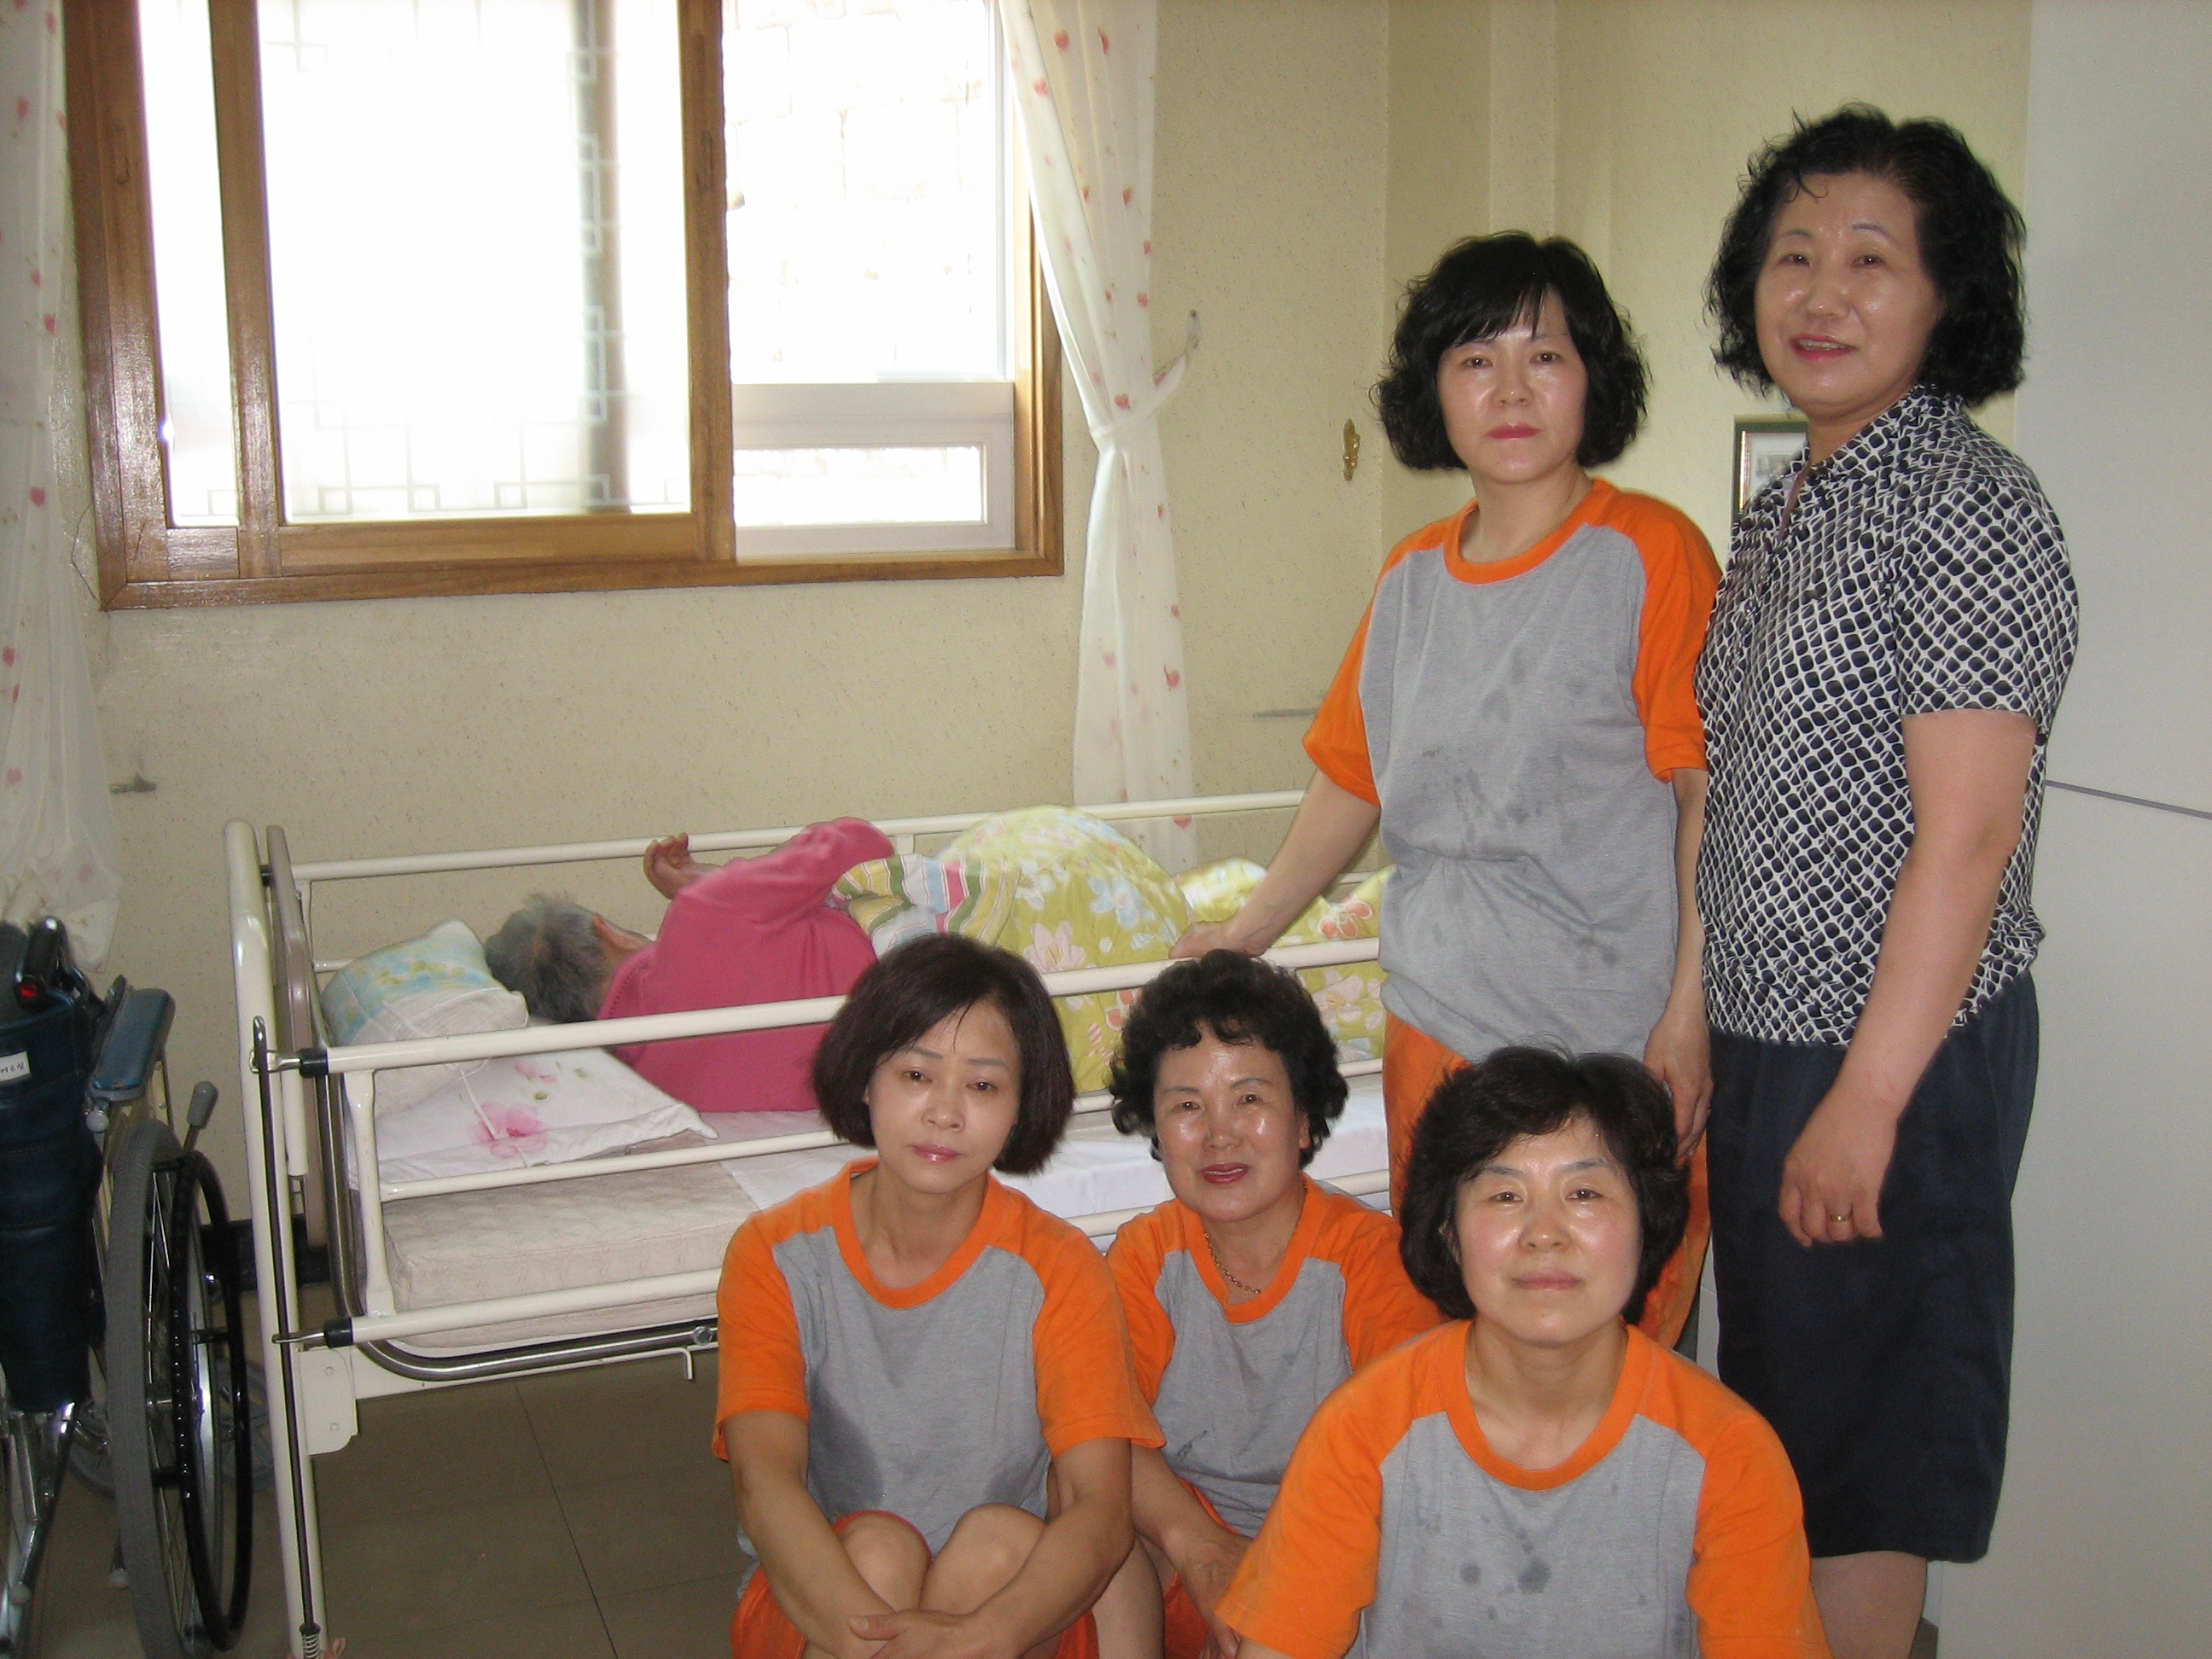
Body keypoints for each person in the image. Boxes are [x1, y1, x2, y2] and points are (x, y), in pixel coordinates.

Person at [1173, 231, 1720, 1343]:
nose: (1511, 390)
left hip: (1606, 1048)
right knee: (1454, 1349)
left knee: (1607, 1371)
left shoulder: (1651, 554)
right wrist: (1245, 933)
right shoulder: (1411, 577)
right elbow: (1352, 780)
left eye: (1545, 356)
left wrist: (1690, 1013)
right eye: (1477, 359)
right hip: (1437, 1033)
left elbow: (1707, 800)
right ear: (1436, 388)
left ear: (1593, 378)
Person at [1697, 107, 2078, 1659]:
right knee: (1788, 1421)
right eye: (1793, 256)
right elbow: (1731, 789)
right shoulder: (1781, 508)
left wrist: (1866, 1098)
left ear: (1945, 298)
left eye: (1872, 259)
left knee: (1862, 1457)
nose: (1822, 293)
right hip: (1768, 1036)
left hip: (1889, 1050)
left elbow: (1966, 838)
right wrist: (1691, 1020)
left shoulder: (1963, 506)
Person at [1213, 1050, 1831, 1659]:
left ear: (1647, 1222)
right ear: (1450, 1234)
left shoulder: (1729, 1453)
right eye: (1505, 1196)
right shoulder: (1364, 1429)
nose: (1545, 1233)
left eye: (1584, 1193)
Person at [714, 934, 1162, 1659]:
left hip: (1003, 1615)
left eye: (983, 1086)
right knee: (879, 1549)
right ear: (866, 1079)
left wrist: (980, 1639)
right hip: (827, 1603)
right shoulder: (775, 1255)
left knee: (998, 1541)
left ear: (1020, 1108)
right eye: (917, 1074)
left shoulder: (1059, 1267)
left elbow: (1098, 1507)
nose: (945, 1113)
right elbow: (765, 1484)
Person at [1097, 952, 1441, 1658]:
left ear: (1304, 1120)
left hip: (1335, 1561)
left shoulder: (1372, 1261)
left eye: (1249, 1099)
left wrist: (1278, 1589)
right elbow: (1104, 1435)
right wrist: (1201, 1548)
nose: (1219, 1134)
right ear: (1156, 1130)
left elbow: (1404, 1463)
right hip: (1188, 1555)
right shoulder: (1144, 1256)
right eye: (1187, 1106)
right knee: (1095, 1544)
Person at [485, 818, 891, 1113]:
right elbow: (864, 842)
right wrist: (721, 881)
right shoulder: (703, 912)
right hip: (908, 968)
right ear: (607, 931)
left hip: (895, 1073)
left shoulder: (648, 1082)